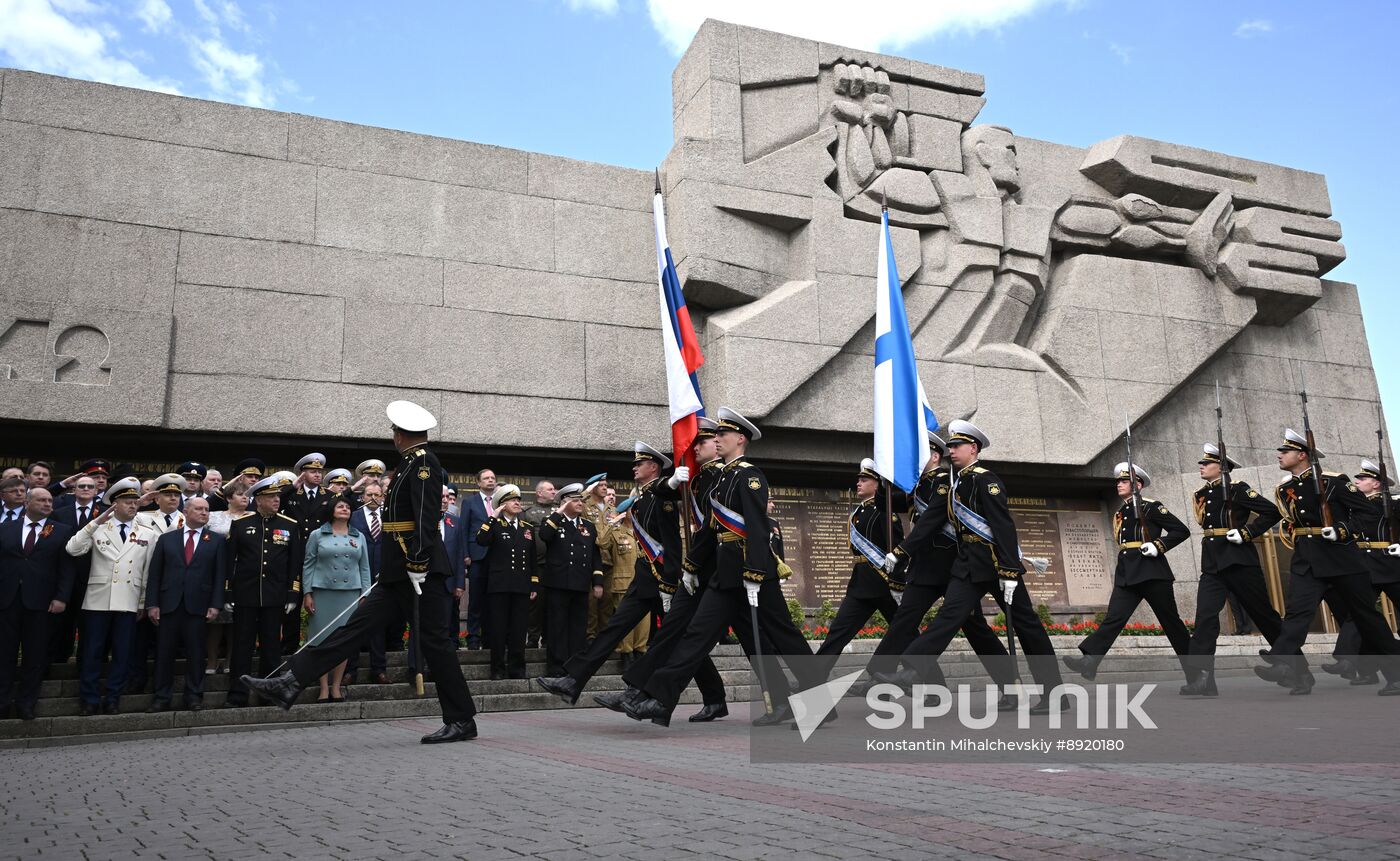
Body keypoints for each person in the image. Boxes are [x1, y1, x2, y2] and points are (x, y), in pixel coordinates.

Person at [242, 401, 479, 744]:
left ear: (400, 435)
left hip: (419, 571)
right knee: (353, 629)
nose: (394, 437)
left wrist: (417, 563)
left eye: (395, 432)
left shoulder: (424, 463)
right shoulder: (410, 464)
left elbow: (426, 518)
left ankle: (461, 719)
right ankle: (290, 682)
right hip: (399, 571)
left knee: (437, 645)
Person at [626, 409, 822, 728]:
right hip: (724, 574)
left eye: (723, 435)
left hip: (752, 573)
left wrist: (756, 573)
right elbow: (711, 531)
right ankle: (660, 698)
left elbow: (759, 528)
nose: (716, 439)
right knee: (695, 635)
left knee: (787, 639)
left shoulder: (749, 475)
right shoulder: (721, 482)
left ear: (740, 439)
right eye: (715, 435)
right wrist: (690, 566)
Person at [872, 420, 1065, 715]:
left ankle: (1055, 694)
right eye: (949, 446)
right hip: (968, 566)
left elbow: (1002, 527)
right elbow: (931, 521)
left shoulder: (985, 480)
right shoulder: (956, 483)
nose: (951, 451)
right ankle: (911, 670)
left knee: (1028, 628)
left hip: (996, 564)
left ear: (973, 448)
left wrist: (1010, 571)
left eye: (956, 446)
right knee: (948, 618)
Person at [534, 442, 685, 708]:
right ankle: (573, 679)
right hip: (643, 576)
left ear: (653, 467)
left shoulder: (661, 495)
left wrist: (670, 581)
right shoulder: (640, 497)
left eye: (639, 464)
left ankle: (712, 696)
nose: (634, 467)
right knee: (613, 629)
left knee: (679, 638)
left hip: (662, 580)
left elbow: (672, 542)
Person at [1253, 430, 1400, 695]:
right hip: (1307, 558)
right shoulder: (1284, 488)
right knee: (1298, 611)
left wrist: (1343, 528)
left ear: (1301, 455)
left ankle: (1396, 675)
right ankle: (1283, 661)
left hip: (1341, 558)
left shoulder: (1333, 482)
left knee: (1365, 616)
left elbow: (1366, 512)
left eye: (1284, 452)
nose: (1279, 455)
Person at [604, 418, 729, 722]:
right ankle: (646, 694)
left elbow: (715, 528)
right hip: (702, 572)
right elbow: (663, 493)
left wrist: (687, 566)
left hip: (729, 574)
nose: (694, 448)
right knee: (680, 634)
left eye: (703, 442)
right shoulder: (701, 479)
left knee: (770, 640)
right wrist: (673, 481)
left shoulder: (731, 478)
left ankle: (803, 698)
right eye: (694, 442)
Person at [873, 433, 1010, 693]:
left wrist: (901, 551)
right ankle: (882, 672)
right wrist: (883, 477)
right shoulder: (918, 486)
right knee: (904, 619)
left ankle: (1009, 685)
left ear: (935, 456)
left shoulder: (943, 483)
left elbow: (929, 523)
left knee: (976, 630)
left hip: (951, 569)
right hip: (925, 570)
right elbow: (885, 504)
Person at [1063, 463, 1193, 683]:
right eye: (1118, 481)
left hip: (1152, 572)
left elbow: (1181, 530)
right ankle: (1090, 660)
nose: (1119, 484)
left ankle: (1198, 674)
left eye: (1124, 481)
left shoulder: (1151, 507)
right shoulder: (1121, 512)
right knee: (1114, 618)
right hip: (1128, 573)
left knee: (1172, 624)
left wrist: (1158, 545)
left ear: (1137, 485)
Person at [1180, 443, 1284, 697]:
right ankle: (1204, 679)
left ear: (1222, 467)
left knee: (1263, 615)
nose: (1201, 467)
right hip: (1213, 563)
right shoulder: (1201, 494)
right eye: (1202, 463)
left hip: (1239, 560)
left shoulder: (1237, 489)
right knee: (1205, 617)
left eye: (1207, 463)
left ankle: (1295, 668)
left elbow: (1271, 512)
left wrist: (1247, 532)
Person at [63, 478, 158, 715]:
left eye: (135, 502)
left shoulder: (147, 533)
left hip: (128, 599)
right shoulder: (98, 527)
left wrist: (143, 602)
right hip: (98, 598)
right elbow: (73, 549)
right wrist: (95, 522)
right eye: (127, 502)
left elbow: (147, 572)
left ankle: (113, 697)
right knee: (92, 652)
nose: (133, 506)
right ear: (114, 504)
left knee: (122, 652)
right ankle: (89, 699)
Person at [814, 459, 903, 679]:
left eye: (865, 479)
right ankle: (812, 678)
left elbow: (898, 549)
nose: (859, 483)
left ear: (877, 484)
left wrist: (898, 583)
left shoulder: (885, 511)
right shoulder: (858, 513)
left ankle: (930, 683)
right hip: (861, 583)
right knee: (838, 632)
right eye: (859, 479)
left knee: (905, 633)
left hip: (884, 583)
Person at [224, 472, 302, 708]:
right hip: (246, 594)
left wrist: (292, 592)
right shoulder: (240, 525)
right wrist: (228, 592)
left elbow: (294, 564)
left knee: (271, 647)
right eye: (270, 497)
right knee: (242, 646)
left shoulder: (289, 526)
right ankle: (237, 694)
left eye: (278, 496)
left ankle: (268, 693)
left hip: (274, 594)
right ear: (258, 500)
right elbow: (230, 562)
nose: (276, 500)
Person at [144, 497, 227, 712]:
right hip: (169, 604)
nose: (203, 513)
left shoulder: (216, 540)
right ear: (186, 511)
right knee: (164, 653)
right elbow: (155, 574)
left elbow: (220, 576)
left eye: (206, 510)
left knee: (196, 653)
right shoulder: (167, 539)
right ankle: (162, 697)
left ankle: (194, 696)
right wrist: (152, 603)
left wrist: (216, 604)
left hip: (198, 606)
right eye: (198, 509)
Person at [0, 487, 76, 720]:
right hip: (7, 600)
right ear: (28, 503)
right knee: (4, 654)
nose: (47, 504)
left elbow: (67, 568)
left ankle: (26, 703)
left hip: (42, 602)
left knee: (35, 655)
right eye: (41, 500)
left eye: (50, 501)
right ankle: (2, 702)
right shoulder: (5, 528)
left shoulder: (62, 531)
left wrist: (62, 597)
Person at [1329, 459, 1400, 685]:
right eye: (1357, 478)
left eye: (1363, 478)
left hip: (1391, 564)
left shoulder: (1392, 504)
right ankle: (1349, 661)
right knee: (1358, 614)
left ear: (1377, 484)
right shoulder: (1352, 507)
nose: (1357, 481)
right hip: (1363, 565)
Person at [301, 498, 372, 703]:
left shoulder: (358, 536)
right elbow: (308, 564)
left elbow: (365, 568)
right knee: (321, 640)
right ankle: (323, 687)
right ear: (331, 510)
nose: (344, 509)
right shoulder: (317, 534)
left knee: (343, 642)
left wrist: (364, 594)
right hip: (323, 592)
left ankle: (336, 686)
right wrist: (307, 593)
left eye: (348, 507)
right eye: (340, 506)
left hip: (349, 593)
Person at [126, 473, 186, 694]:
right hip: (144, 581)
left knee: (168, 640)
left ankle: (164, 685)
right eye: (167, 494)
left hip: (174, 585)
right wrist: (139, 505)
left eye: (176, 494)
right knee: (139, 638)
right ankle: (136, 679)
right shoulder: (143, 517)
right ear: (156, 498)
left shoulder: (187, 518)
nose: (172, 498)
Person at [539, 482, 602, 676]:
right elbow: (545, 535)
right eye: (575, 500)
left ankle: (574, 665)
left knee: (578, 627)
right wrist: (559, 512)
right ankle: (556, 666)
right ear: (565, 502)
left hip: (580, 583)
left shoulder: (588, 527)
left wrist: (597, 582)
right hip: (559, 583)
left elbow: (595, 556)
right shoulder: (553, 521)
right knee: (558, 627)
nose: (580, 503)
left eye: (581, 500)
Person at [476, 484, 537, 680]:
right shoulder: (495, 525)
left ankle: (517, 668)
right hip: (499, 585)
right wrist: (493, 517)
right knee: (498, 629)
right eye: (512, 500)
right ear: (502, 505)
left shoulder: (527, 528)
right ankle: (498, 669)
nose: (517, 503)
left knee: (519, 630)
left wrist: (533, 583)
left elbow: (532, 559)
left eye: (519, 500)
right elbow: (481, 540)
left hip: (520, 586)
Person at [49, 471, 107, 664]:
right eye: (81, 486)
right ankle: (58, 659)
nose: (85, 489)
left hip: (93, 574)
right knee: (62, 622)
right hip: (64, 575)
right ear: (73, 490)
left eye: (89, 486)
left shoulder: (105, 512)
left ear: (96, 489)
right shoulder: (60, 512)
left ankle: (86, 660)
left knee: (88, 623)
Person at [348, 482, 393, 684]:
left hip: (382, 577)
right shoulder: (353, 517)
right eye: (369, 494)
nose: (373, 497)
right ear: (362, 497)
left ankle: (379, 669)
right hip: (356, 577)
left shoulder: (389, 516)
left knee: (378, 624)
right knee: (354, 623)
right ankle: (350, 670)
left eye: (377, 494)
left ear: (383, 496)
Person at [204, 484, 251, 675]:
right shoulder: (214, 516)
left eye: (247, 495)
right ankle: (212, 659)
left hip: (244, 572)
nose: (245, 498)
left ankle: (231, 659)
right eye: (240, 495)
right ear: (229, 498)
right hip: (218, 570)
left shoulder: (253, 517)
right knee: (217, 617)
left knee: (237, 620)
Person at [460, 468, 497, 649]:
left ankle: (489, 638)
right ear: (479, 482)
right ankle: (473, 637)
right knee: (475, 599)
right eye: (486, 478)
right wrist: (466, 554)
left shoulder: (500, 502)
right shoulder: (470, 502)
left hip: (497, 558)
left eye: (493, 478)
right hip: (477, 557)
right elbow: (464, 529)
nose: (490, 480)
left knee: (493, 600)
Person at [522, 480, 557, 650]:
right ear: (539, 493)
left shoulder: (559, 510)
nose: (553, 491)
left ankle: (549, 638)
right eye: (550, 489)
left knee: (552, 604)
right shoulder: (528, 513)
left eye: (554, 489)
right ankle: (533, 637)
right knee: (536, 604)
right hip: (538, 565)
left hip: (556, 565)